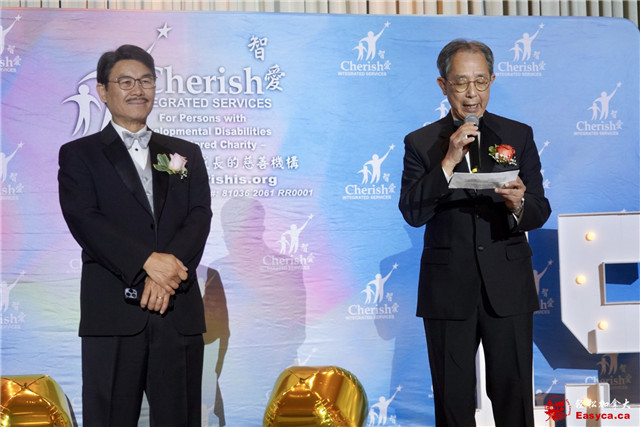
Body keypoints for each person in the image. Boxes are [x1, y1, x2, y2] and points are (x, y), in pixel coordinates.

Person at [398, 39, 551, 426]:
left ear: (492, 81)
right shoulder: (421, 143)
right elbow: (413, 212)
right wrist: (447, 162)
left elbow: (539, 209)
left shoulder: (518, 134)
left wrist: (518, 203)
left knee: (515, 397)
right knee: (453, 401)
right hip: (448, 291)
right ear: (443, 85)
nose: (472, 93)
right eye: (461, 82)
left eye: (480, 82)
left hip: (508, 285)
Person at [58, 44, 212, 426]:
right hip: (114, 315)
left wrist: (165, 276)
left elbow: (198, 217)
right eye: (125, 82)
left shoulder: (184, 153)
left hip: (177, 311)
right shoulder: (80, 154)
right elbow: (85, 220)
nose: (137, 90)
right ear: (103, 90)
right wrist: (146, 263)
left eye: (146, 81)